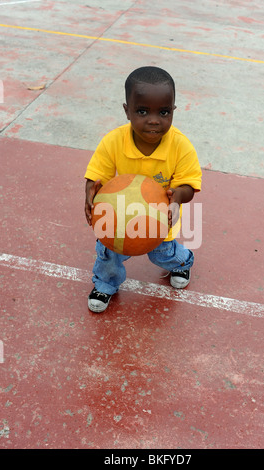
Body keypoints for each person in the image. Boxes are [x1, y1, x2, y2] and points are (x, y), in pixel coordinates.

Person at [84, 66, 202, 313]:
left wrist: (176, 198)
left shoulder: (180, 145)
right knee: (107, 252)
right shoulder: (114, 140)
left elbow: (189, 184)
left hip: (160, 219)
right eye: (142, 111)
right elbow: (97, 175)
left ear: (173, 111)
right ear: (127, 111)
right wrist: (90, 195)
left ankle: (184, 261)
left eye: (164, 112)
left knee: (162, 255)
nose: (153, 120)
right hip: (119, 215)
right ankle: (105, 283)